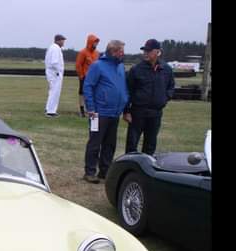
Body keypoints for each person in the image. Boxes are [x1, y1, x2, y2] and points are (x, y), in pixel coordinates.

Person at [82, 40, 129, 184]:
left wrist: (125, 102)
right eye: (121, 51)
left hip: (114, 113)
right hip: (98, 113)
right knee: (95, 142)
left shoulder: (120, 67)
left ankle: (105, 171)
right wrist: (91, 108)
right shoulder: (98, 66)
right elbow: (88, 86)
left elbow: (123, 87)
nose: (123, 53)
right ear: (113, 51)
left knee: (110, 144)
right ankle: (90, 172)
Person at [123, 39, 175, 155]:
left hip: (156, 113)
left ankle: (147, 170)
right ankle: (130, 169)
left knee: (150, 144)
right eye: (144, 51)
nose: (145, 53)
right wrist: (126, 111)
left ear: (158, 52)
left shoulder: (166, 69)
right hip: (138, 112)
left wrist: (165, 98)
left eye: (149, 51)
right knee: (132, 143)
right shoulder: (136, 70)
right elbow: (128, 91)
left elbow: (171, 86)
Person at [75, 34, 100, 117]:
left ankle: (90, 109)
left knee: (92, 93)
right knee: (82, 93)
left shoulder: (97, 53)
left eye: (97, 43)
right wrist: (81, 76)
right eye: (95, 42)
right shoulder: (83, 52)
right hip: (84, 76)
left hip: (94, 77)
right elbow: (78, 65)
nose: (96, 44)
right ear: (90, 42)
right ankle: (82, 110)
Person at [44, 34, 66, 117]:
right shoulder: (56, 48)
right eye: (62, 40)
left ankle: (48, 108)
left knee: (52, 91)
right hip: (54, 73)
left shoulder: (52, 47)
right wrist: (58, 71)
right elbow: (54, 62)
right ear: (58, 40)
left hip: (52, 72)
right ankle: (51, 111)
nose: (63, 42)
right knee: (55, 91)